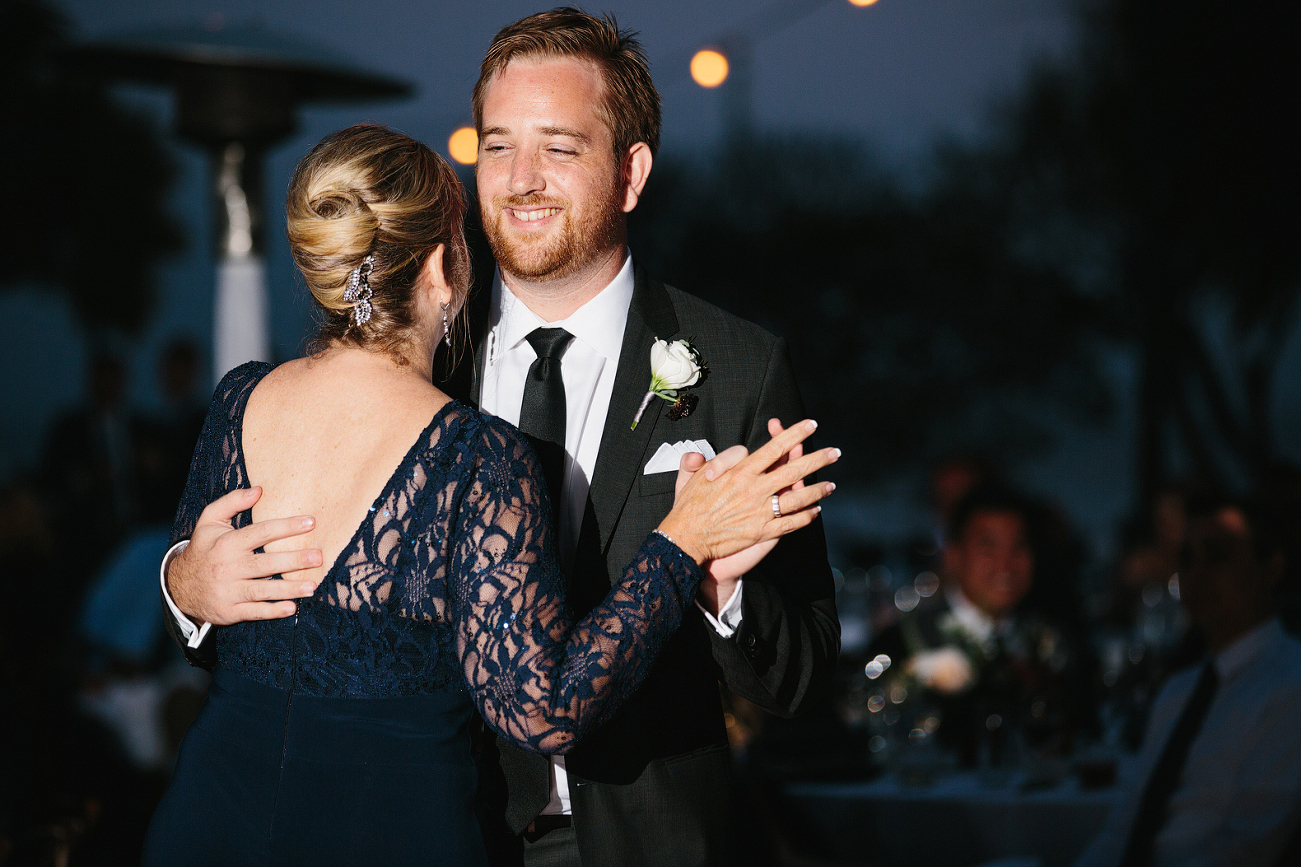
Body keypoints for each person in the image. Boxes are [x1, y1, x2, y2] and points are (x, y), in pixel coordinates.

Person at [161, 10, 841, 865]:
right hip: (444, 825)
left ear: (629, 172)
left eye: (558, 147)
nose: (521, 180)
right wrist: (184, 580)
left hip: (647, 839)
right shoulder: (410, 355)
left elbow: (804, 674)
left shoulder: (737, 366)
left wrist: (723, 593)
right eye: (496, 145)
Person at [1074, 496, 1301, 867]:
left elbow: (1247, 847)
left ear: (1271, 567)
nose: (1197, 574)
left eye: (1218, 555)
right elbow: (1125, 825)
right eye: (1187, 560)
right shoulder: (1180, 691)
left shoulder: (1290, 685)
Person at [869, 484, 1081, 765]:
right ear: (954, 556)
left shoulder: (1050, 640)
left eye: (1018, 547)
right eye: (988, 547)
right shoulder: (902, 642)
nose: (1005, 564)